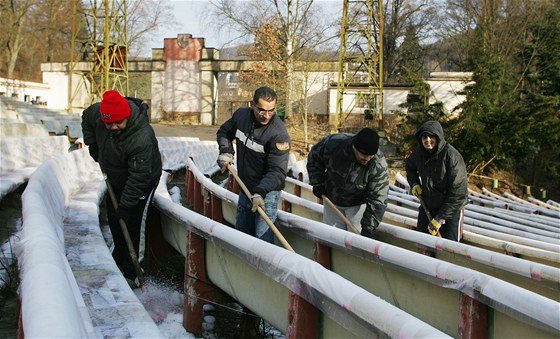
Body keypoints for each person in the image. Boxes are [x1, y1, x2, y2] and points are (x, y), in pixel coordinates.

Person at [82, 90, 162, 287]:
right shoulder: (97, 113)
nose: (113, 127)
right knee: (115, 221)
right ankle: (118, 260)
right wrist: (92, 144)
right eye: (109, 123)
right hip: (115, 176)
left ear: (126, 116)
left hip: (142, 179)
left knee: (133, 222)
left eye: (118, 123)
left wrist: (126, 206)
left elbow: (138, 177)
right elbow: (86, 118)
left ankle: (135, 271)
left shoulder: (141, 136)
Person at [216, 86, 291, 244]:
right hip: (245, 186)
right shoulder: (241, 116)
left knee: (263, 238)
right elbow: (224, 132)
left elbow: (277, 171)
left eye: (271, 111)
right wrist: (226, 151)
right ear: (253, 105)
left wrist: (260, 191)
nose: (267, 115)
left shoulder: (278, 134)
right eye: (262, 110)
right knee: (242, 234)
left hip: (267, 192)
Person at [307, 127, 389, 238]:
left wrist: (368, 226)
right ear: (355, 147)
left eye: (371, 155)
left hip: (358, 205)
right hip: (332, 200)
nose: (368, 159)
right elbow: (315, 157)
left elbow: (379, 197)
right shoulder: (334, 144)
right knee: (332, 237)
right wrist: (317, 182)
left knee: (355, 241)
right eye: (364, 155)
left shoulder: (377, 163)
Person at [405, 120, 467, 241]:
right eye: (424, 137)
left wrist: (440, 218)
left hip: (450, 212)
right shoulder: (419, 154)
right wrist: (414, 183)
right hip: (427, 206)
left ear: (438, 137)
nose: (428, 140)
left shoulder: (452, 156)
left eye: (431, 136)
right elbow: (410, 167)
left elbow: (458, 193)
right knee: (422, 244)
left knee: (449, 250)